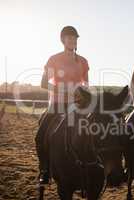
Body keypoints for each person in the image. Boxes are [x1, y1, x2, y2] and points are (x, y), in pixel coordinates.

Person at [35, 26, 89, 184]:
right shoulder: (54, 59)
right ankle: (44, 170)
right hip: (57, 104)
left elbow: (86, 84)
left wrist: (82, 92)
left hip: (76, 105)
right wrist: (62, 90)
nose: (72, 40)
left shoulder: (83, 61)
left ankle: (95, 166)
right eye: (69, 38)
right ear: (63, 40)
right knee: (39, 136)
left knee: (94, 131)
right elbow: (44, 83)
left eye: (75, 38)